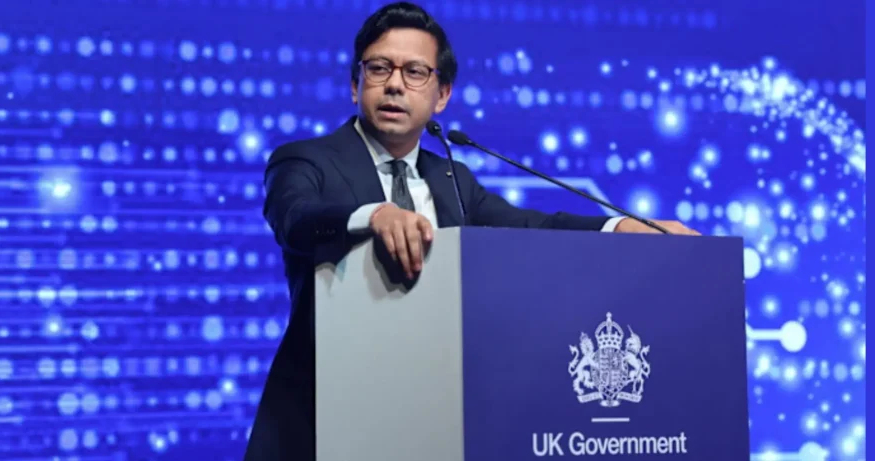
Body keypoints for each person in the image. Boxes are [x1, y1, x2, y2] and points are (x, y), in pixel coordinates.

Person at [244, 2, 698, 460]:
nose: (395, 84)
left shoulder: (452, 179)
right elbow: (295, 218)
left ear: (441, 95)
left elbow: (532, 225)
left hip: (433, 420)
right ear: (354, 83)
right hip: (323, 420)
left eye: (415, 72)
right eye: (379, 68)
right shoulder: (304, 160)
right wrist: (374, 215)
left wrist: (619, 226)